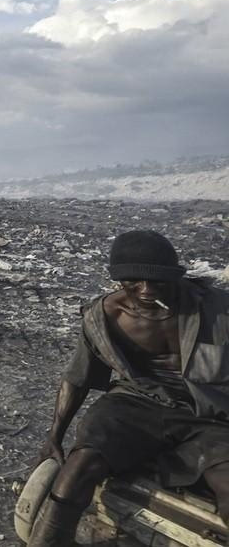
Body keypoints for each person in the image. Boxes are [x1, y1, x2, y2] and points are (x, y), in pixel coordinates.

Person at [28, 230, 229, 546]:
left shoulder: (219, 308)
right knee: (80, 466)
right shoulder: (104, 316)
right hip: (136, 402)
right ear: (118, 279)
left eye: (158, 281)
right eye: (135, 280)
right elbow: (77, 377)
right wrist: (54, 436)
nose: (147, 289)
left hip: (208, 414)